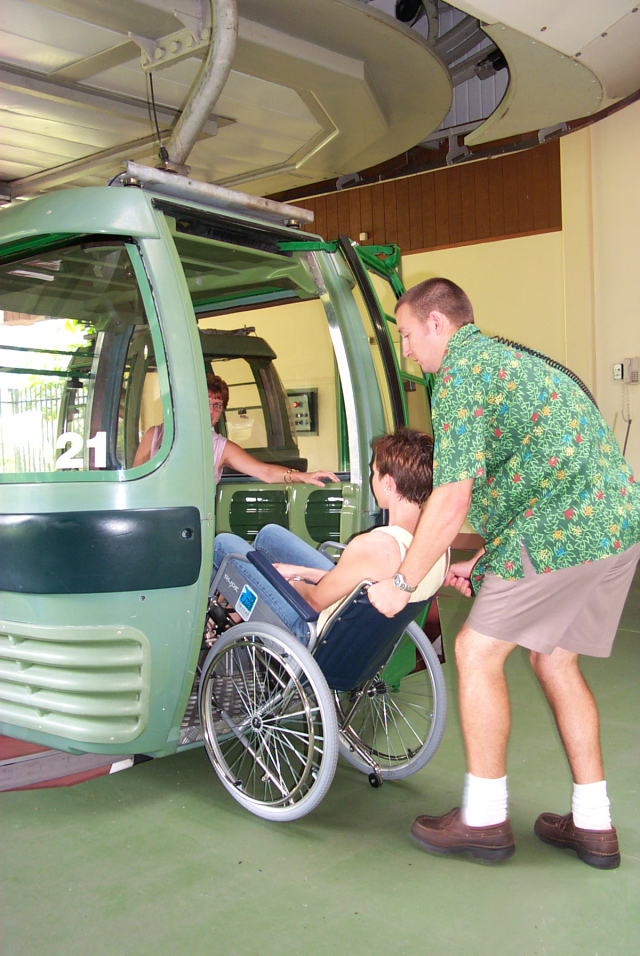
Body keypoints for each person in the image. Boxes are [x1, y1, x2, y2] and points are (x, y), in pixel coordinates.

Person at [368, 277, 640, 868]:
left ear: (438, 324)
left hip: (563, 530)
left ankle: (485, 819)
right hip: (617, 525)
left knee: (475, 653)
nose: (407, 350)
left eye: (408, 334)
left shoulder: (461, 374)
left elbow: (452, 498)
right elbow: (535, 472)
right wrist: (483, 562)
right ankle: (595, 825)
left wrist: (400, 584)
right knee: (555, 659)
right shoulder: (509, 362)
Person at [212, 428, 448, 643]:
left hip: (312, 633)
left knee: (224, 545)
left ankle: (210, 628)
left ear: (388, 482)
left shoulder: (376, 545)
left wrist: (290, 582)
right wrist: (299, 570)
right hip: (363, 643)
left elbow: (312, 601)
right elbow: (360, 584)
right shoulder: (437, 547)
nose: (371, 478)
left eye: (374, 472)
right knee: (269, 535)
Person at [134, 373, 339, 487]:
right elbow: (136, 481)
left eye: (217, 405)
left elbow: (265, 472)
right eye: (204, 403)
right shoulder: (156, 435)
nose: (210, 411)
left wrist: (301, 476)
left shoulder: (221, 448)